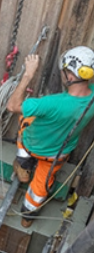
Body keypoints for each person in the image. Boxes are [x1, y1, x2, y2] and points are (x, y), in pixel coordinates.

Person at [7, 46, 94, 227]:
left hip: (34, 145)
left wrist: (28, 75)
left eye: (64, 71)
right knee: (40, 188)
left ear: (70, 77)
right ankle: (27, 219)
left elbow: (13, 105)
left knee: (24, 118)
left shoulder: (50, 103)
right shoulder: (91, 98)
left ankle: (23, 165)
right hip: (57, 156)